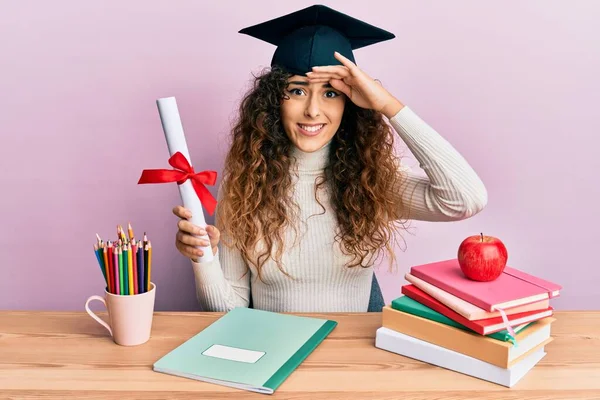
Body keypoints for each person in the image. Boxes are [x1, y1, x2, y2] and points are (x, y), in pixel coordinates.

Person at [172, 5, 488, 313]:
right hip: (272, 353)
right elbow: (229, 311)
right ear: (272, 102)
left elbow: (466, 199)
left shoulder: (372, 177)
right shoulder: (246, 181)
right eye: (297, 91)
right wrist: (205, 258)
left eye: (330, 93)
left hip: (348, 357)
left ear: (349, 103)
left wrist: (387, 105)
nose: (312, 110)